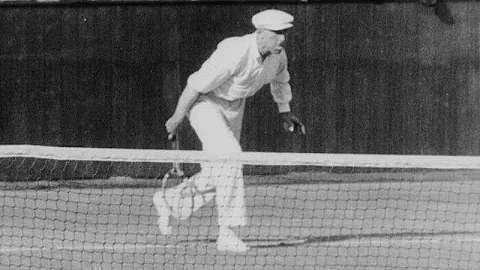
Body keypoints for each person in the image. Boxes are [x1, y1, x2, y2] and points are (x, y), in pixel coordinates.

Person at [153, 9, 306, 253]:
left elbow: (280, 81)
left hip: (235, 107)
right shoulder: (234, 52)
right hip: (205, 104)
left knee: (221, 172)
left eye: (284, 34)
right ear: (261, 33)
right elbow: (195, 84)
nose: (282, 39)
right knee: (231, 157)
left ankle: (170, 201)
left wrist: (285, 113)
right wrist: (177, 117)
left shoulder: (279, 57)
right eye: (277, 34)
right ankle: (227, 233)